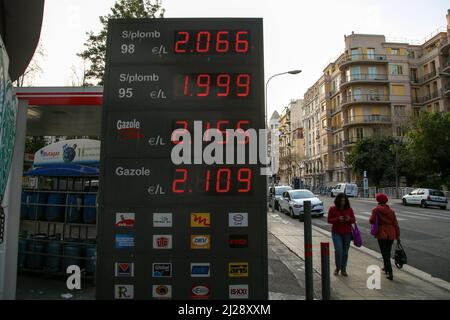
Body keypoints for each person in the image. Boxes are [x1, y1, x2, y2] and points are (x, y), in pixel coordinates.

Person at [369, 193, 400, 281]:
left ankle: (389, 272)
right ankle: (386, 268)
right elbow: (396, 224)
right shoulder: (391, 211)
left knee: (385, 253)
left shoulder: (376, 210)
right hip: (391, 233)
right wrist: (398, 235)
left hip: (382, 232)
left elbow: (371, 221)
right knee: (388, 252)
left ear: (378, 200)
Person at [327, 193, 356, 276]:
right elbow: (329, 220)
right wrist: (338, 219)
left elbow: (353, 220)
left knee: (345, 252)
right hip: (336, 232)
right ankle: (337, 268)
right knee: (339, 250)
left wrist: (349, 219)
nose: (342, 202)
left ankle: (343, 269)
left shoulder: (349, 209)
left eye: (344, 201)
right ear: (338, 201)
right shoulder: (333, 209)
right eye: (341, 201)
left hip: (347, 233)